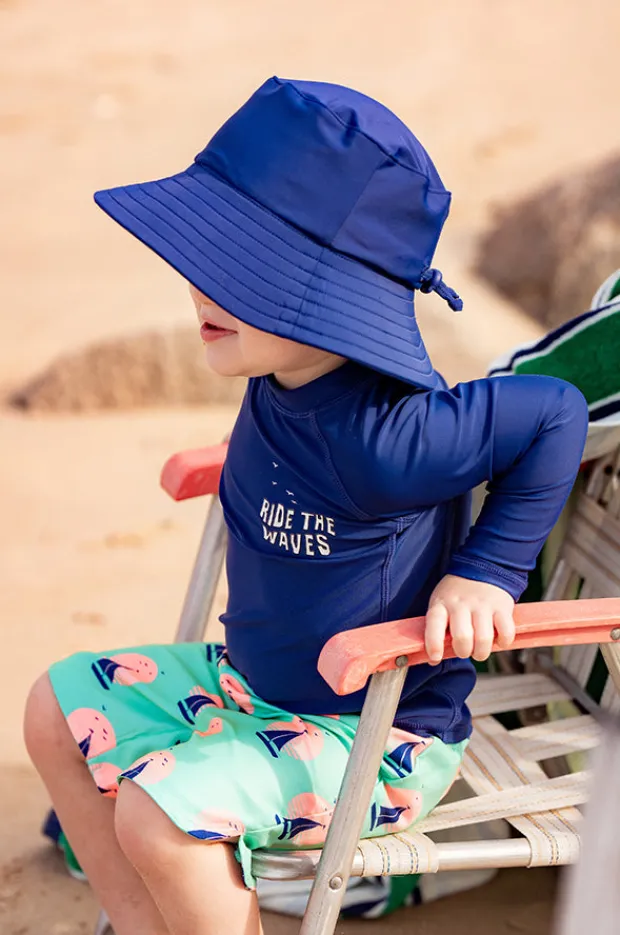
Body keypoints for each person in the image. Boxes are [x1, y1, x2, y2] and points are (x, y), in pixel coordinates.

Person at [23, 77, 588, 935]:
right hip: (248, 690)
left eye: (241, 270)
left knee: (156, 814)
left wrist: (487, 574)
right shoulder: (282, 370)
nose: (199, 290)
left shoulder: (392, 438)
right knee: (53, 711)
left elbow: (555, 411)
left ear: (330, 301)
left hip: (372, 737)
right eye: (204, 259)